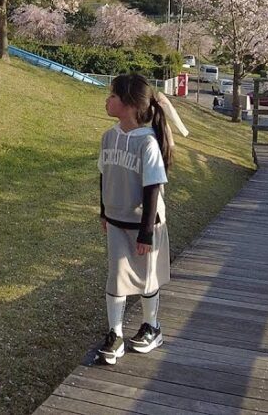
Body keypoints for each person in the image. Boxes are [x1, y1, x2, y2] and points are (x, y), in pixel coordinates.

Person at [96, 74, 175, 365]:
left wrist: (146, 233)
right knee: (116, 276)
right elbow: (103, 175)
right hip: (116, 221)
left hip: (145, 225)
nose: (107, 101)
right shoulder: (109, 136)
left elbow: (152, 187)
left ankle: (152, 327)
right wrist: (103, 212)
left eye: (112, 96)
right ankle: (114, 334)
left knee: (147, 277)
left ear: (128, 104)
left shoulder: (147, 143)